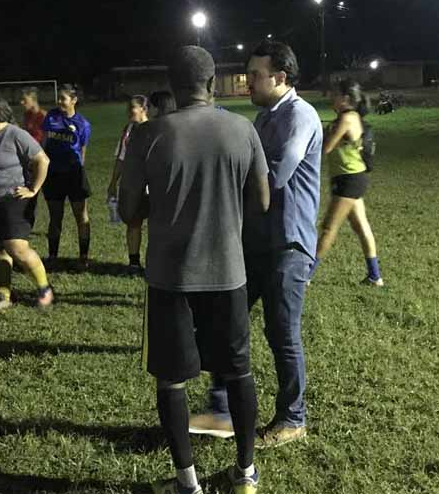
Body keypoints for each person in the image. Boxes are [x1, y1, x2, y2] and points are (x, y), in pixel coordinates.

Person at [119, 46, 270, 494]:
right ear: (212, 82)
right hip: (229, 271)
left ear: (172, 84)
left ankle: (188, 483)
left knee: (171, 379)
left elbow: (130, 211)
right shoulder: (242, 129)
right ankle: (245, 474)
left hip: (171, 277)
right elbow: (262, 201)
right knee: (239, 371)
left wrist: (163, 200)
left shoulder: (148, 136)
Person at [190, 40, 323, 449]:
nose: (248, 81)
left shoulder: (300, 116)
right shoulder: (265, 117)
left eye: (256, 75)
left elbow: (274, 174)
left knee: (282, 334)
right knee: (224, 325)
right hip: (253, 243)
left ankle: (292, 418)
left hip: (288, 245)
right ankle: (222, 408)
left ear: (280, 78)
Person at [0, 94, 53, 312]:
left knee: (17, 247)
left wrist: (33, 189)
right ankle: (4, 294)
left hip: (13, 199)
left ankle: (45, 289)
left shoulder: (15, 134)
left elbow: (42, 159)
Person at [315, 80, 384, 286]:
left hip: (349, 180)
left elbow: (326, 147)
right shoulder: (345, 118)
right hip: (352, 177)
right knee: (361, 226)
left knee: (328, 227)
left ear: (346, 98)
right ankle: (374, 276)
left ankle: (306, 275)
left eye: (334, 94)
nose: (330, 97)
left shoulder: (347, 118)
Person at [41, 84, 92, 271]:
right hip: (53, 174)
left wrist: (78, 171)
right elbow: (44, 142)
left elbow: (83, 152)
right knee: (55, 216)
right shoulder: (51, 117)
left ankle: (83, 257)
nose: (59, 101)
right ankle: (52, 256)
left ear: (74, 100)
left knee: (81, 216)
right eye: (59, 98)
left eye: (63, 98)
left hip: (74, 174)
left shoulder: (83, 124)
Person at [107, 95, 149, 273]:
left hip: (152, 185)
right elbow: (121, 159)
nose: (128, 111)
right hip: (132, 184)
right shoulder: (128, 130)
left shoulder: (153, 129)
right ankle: (134, 262)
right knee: (133, 222)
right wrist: (113, 182)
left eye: (132, 107)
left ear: (143, 109)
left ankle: (157, 263)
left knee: (157, 225)